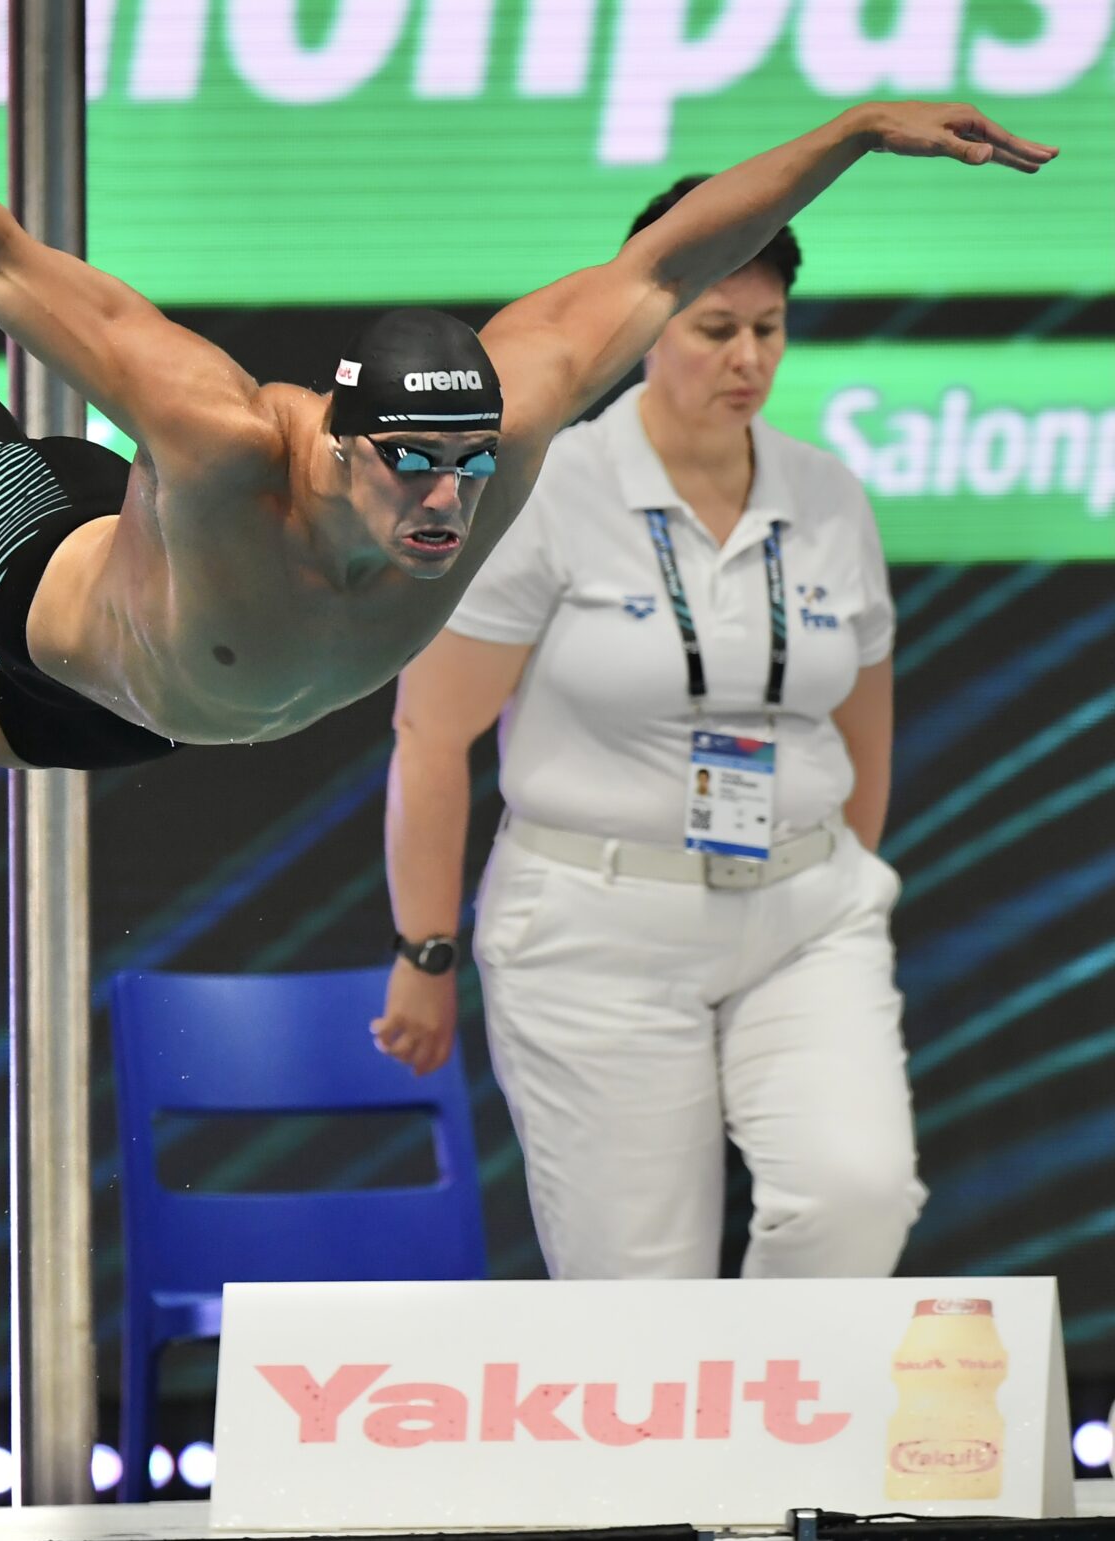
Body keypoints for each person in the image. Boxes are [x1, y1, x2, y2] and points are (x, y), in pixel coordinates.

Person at [0, 19, 1055, 1020]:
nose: (446, 500)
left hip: (174, 669)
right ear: (336, 444)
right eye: (411, 465)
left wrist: (857, 130)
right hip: (36, 566)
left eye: (467, 467)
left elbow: (671, 269)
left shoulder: (513, 413)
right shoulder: (216, 434)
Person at [375, 179, 925, 1280]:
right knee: (638, 1290)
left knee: (856, 1196)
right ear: (643, 325)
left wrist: (839, 869)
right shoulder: (549, 485)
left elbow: (864, 722)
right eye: (713, 329)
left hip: (802, 913)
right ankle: (691, 1446)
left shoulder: (828, 498)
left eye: (766, 329)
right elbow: (431, 734)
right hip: (594, 926)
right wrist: (423, 950)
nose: (747, 360)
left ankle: (778, 1438)